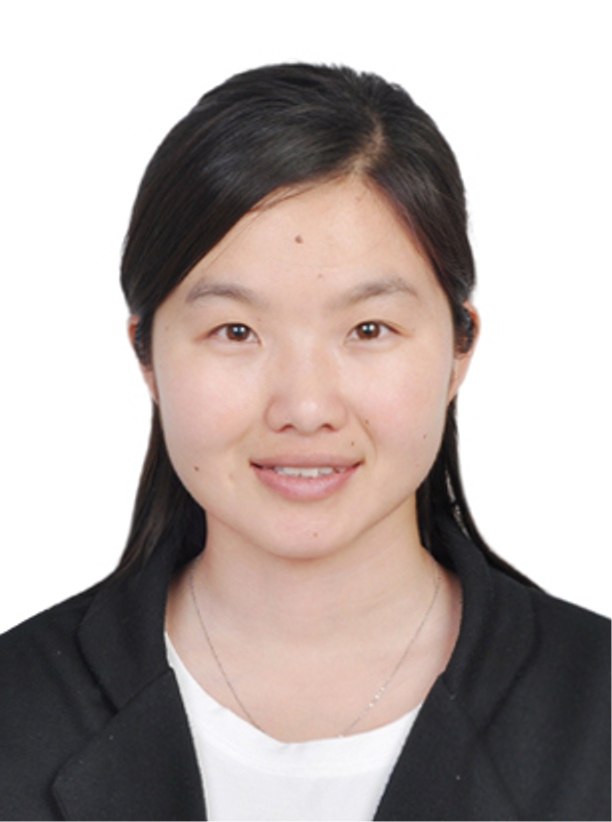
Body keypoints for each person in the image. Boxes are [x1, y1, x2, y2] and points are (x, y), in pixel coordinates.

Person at [0, 63, 609, 822]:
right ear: (146, 357)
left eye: (368, 329)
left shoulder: (596, 711)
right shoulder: (17, 714)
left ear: (459, 350)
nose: (306, 407)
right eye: (236, 332)